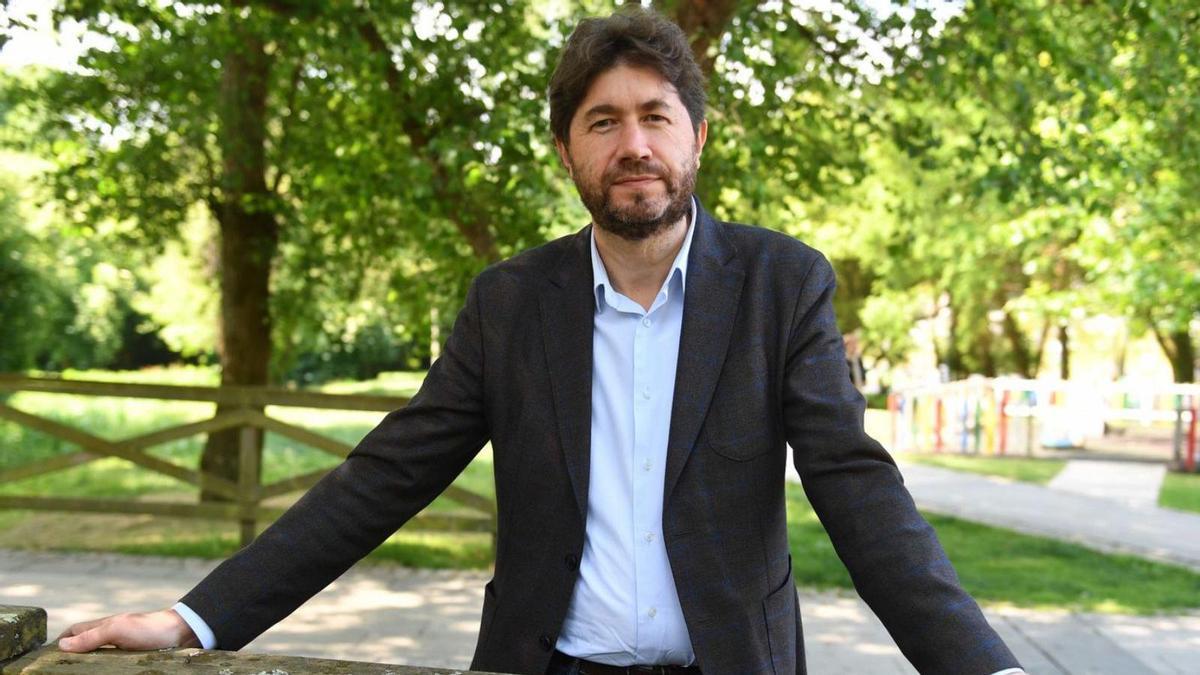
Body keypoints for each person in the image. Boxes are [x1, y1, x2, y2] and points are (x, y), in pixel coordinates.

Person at [60, 8, 1026, 675]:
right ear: (567, 151)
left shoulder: (784, 285)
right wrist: (195, 620)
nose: (633, 144)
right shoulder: (510, 303)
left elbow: (856, 487)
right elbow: (384, 476)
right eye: (602, 122)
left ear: (699, 137)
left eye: (656, 116)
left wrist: (979, 663)